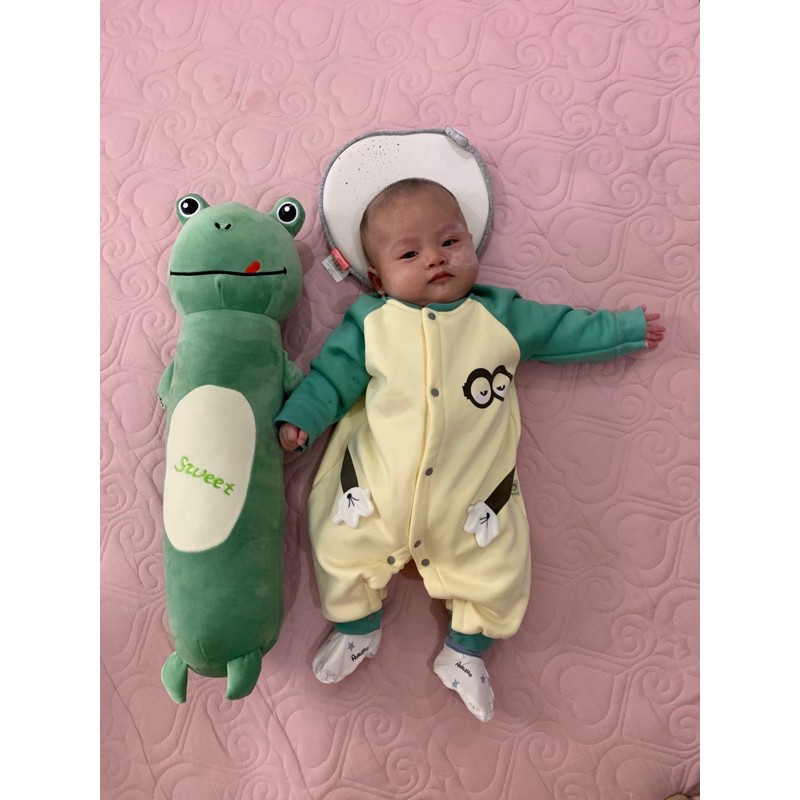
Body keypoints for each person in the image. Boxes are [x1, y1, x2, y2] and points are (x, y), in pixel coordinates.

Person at [276, 178, 665, 722]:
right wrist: (302, 416)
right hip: (376, 490)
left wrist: (623, 329)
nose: (435, 259)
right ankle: (356, 627)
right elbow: (331, 377)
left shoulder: (498, 315)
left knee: (499, 567)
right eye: (410, 254)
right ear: (378, 279)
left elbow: (563, 329)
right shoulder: (371, 323)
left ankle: (465, 653)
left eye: (450, 242)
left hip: (472, 500)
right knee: (339, 545)